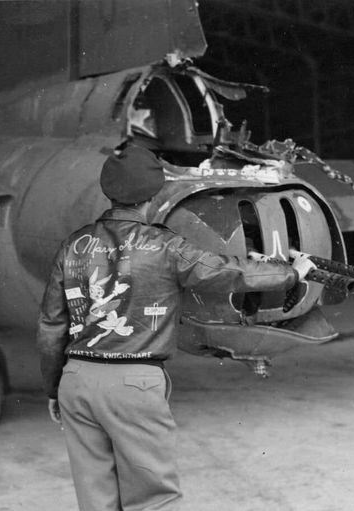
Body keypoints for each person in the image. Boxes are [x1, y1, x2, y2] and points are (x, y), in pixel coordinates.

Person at [36, 144, 316, 511]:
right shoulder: (164, 246)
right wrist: (292, 272)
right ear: (154, 195)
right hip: (134, 383)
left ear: (109, 191)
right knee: (154, 500)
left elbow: (51, 325)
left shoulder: (74, 245)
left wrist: (55, 387)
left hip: (77, 380)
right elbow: (227, 273)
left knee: (96, 502)